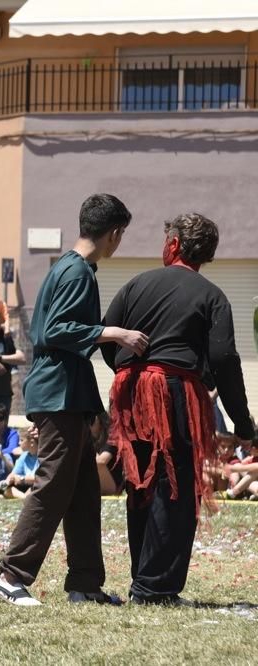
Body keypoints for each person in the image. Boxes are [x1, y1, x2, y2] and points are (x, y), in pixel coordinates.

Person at [0, 193, 147, 607]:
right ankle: (10, 576)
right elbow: (55, 332)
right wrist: (114, 332)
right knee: (54, 484)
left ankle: (85, 584)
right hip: (57, 392)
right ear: (114, 234)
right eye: (122, 235)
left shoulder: (71, 268)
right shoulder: (76, 272)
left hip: (68, 393)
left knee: (81, 491)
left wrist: (91, 406)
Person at [102, 212, 254, 605]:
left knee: (141, 483)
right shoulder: (211, 295)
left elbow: (106, 338)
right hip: (175, 393)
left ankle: (144, 581)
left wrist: (127, 373)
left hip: (131, 392)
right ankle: (156, 589)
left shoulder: (137, 284)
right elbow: (224, 357)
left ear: (173, 244)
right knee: (175, 487)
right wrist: (243, 421)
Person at [5, 430, 39, 499]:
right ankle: (24, 496)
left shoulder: (41, 457)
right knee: (7, 490)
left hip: (36, 485)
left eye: (21, 440)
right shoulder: (24, 455)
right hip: (25, 485)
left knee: (34, 488)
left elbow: (39, 478)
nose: (19, 443)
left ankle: (26, 496)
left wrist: (22, 479)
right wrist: (8, 480)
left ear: (31, 442)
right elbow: (13, 473)